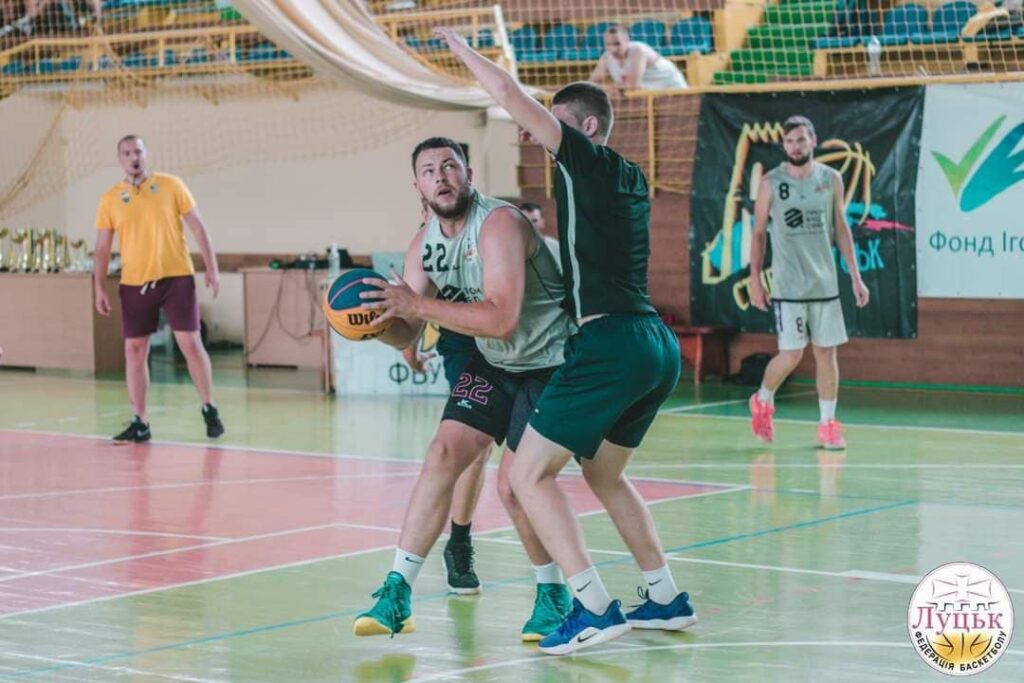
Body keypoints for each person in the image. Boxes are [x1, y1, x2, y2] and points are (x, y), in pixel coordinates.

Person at [438, 28, 695, 656]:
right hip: (652, 343)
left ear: (588, 128)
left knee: (526, 476)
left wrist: (463, 52)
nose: (538, 135)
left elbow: (507, 94)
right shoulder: (625, 176)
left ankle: (593, 606)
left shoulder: (587, 160)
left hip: (610, 342)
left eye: (553, 124)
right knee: (604, 474)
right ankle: (665, 595)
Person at [352, 137, 574, 641]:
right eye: (429, 170)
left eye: (450, 166)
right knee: (442, 453)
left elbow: (502, 319)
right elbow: (406, 332)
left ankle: (553, 592)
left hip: (551, 362)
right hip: (496, 362)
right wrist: (369, 323)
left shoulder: (500, 224)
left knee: (513, 486)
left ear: (469, 174)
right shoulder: (423, 243)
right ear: (418, 186)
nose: (441, 176)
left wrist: (414, 306)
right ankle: (397, 592)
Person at [747, 115, 870, 450]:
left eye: (801, 140)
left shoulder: (830, 179)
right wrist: (755, 280)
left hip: (824, 283)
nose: (795, 146)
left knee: (826, 352)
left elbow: (841, 228)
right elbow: (758, 234)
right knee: (791, 354)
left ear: (813, 141)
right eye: (789, 141)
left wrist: (856, 277)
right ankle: (762, 399)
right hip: (788, 284)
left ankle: (828, 425)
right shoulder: (771, 182)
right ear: (783, 145)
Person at [93, 135, 224, 443]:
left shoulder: (171, 185)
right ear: (120, 159)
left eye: (138, 151)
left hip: (176, 276)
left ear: (146, 154)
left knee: (189, 342)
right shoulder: (110, 198)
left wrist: (212, 268)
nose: (133, 157)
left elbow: (198, 227)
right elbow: (102, 248)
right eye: (127, 153)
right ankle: (140, 421)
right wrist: (98, 286)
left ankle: (209, 407)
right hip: (135, 282)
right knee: (134, 350)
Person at [401, 196, 489, 595]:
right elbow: (413, 303)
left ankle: (552, 578)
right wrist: (407, 345)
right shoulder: (425, 245)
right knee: (476, 446)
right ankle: (459, 541)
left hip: (515, 343)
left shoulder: (488, 234)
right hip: (465, 347)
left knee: (525, 466)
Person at [588, 24, 687, 96]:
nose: (612, 49)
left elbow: (633, 86)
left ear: (627, 40)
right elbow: (590, 84)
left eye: (617, 44)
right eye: (608, 44)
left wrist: (608, 88)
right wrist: (610, 88)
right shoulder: (606, 57)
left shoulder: (638, 51)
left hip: (672, 86)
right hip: (648, 92)